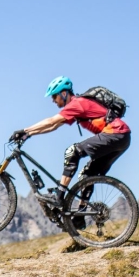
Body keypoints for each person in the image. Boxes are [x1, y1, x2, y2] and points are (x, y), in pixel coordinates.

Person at [9, 76, 131, 207]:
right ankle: (80, 215)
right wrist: (29, 134)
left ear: (63, 93)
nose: (53, 100)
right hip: (122, 137)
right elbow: (53, 126)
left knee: (72, 151)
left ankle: (59, 196)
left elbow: (51, 121)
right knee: (87, 175)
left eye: (54, 96)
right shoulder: (77, 106)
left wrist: (24, 129)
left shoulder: (77, 104)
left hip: (115, 133)